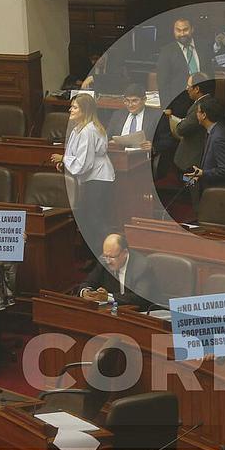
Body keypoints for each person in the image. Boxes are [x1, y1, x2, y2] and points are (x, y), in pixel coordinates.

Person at [50, 93, 115, 255]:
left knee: (95, 220)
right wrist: (64, 162)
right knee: (87, 219)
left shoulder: (88, 130)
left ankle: (110, 253)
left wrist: (64, 159)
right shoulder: (79, 128)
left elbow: (84, 163)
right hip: (91, 178)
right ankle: (96, 256)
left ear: (85, 110)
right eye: (71, 106)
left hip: (98, 179)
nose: (70, 109)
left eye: (75, 107)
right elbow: (75, 155)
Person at [78, 233, 153, 311]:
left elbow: (140, 298)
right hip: (112, 311)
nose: (108, 261)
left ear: (125, 253)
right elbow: (89, 282)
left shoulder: (142, 266)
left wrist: (108, 297)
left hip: (138, 313)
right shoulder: (104, 260)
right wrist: (86, 292)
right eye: (106, 256)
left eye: (112, 257)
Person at [155, 17, 213, 114]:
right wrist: (167, 107)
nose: (182, 34)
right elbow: (163, 83)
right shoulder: (166, 52)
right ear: (174, 31)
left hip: (203, 102)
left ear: (192, 29)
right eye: (178, 30)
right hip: (180, 103)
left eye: (185, 30)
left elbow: (210, 75)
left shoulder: (203, 47)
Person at [184, 96, 225, 203]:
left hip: (216, 192)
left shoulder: (218, 137)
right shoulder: (213, 130)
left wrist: (203, 173)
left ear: (204, 115)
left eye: (197, 112)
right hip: (206, 184)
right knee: (186, 181)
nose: (196, 114)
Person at [165, 72, 213, 175]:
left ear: (197, 89)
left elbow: (182, 129)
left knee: (190, 186)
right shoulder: (209, 100)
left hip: (192, 159)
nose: (186, 88)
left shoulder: (200, 107)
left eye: (189, 86)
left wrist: (177, 122)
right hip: (195, 155)